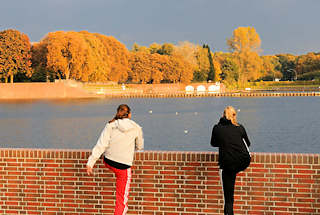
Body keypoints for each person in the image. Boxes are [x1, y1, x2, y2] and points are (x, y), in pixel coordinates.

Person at [86, 104, 144, 215]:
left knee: (108, 156)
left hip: (108, 161)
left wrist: (90, 162)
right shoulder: (136, 127)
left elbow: (101, 144)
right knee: (121, 199)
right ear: (130, 114)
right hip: (123, 167)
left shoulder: (110, 125)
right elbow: (139, 147)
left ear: (118, 113)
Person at [210, 106, 251, 215]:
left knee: (228, 198)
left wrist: (224, 140)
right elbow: (248, 143)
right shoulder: (240, 127)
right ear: (234, 116)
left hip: (228, 164)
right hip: (243, 161)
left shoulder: (217, 128)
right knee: (232, 173)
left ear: (223, 115)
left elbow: (213, 143)